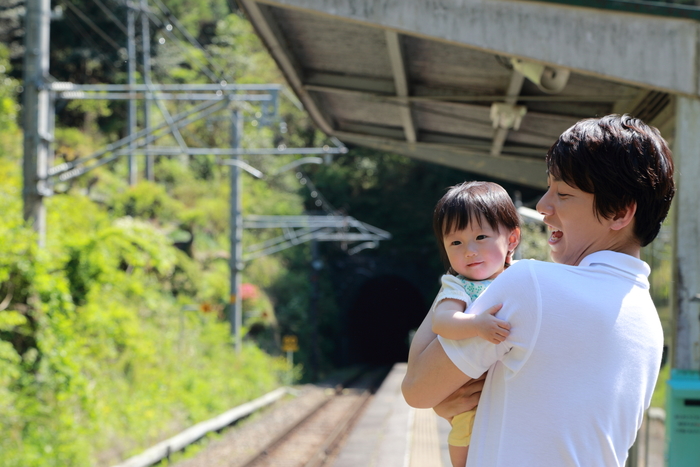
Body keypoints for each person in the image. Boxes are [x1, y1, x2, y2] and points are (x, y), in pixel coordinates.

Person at [402, 114, 675, 467]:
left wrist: (453, 285)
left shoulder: (531, 285)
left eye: (563, 193)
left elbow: (417, 389)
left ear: (620, 212)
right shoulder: (648, 323)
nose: (544, 207)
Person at [428, 181, 520, 467]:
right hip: (469, 389)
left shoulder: (521, 278)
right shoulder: (458, 285)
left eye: (481, 237)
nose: (469, 250)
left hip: (510, 385)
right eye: (456, 242)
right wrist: (476, 324)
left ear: (512, 239)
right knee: (465, 429)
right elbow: (442, 321)